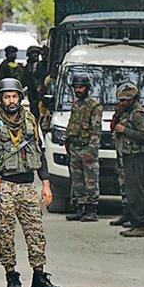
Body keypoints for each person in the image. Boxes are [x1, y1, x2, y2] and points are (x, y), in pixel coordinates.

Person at [0, 78, 63, 287]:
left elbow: (40, 153)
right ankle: (11, 276)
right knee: (5, 234)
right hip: (4, 185)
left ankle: (39, 277)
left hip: (27, 186)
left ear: (20, 98)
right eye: (6, 97)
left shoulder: (30, 122)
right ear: (0, 100)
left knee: (36, 232)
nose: (11, 100)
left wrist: (45, 183)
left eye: (14, 96)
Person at [112, 82, 144, 237]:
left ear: (134, 99)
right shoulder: (126, 112)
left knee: (136, 191)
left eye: (125, 100)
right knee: (130, 191)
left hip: (136, 156)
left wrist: (125, 130)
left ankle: (140, 225)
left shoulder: (138, 114)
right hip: (128, 155)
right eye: (120, 100)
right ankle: (135, 223)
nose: (122, 103)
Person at [64, 74, 103, 222]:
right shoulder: (76, 104)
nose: (78, 90)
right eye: (76, 87)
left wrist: (91, 151)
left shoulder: (94, 106)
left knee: (91, 180)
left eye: (81, 87)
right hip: (75, 147)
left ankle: (91, 210)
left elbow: (96, 130)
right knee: (77, 181)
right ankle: (80, 208)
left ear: (87, 88)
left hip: (87, 148)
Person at [21, 46, 42, 120]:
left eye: (36, 54)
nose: (35, 56)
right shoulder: (27, 67)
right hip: (32, 93)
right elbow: (24, 80)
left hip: (41, 93)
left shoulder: (41, 66)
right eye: (33, 54)